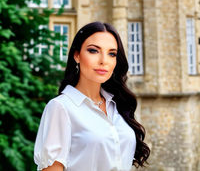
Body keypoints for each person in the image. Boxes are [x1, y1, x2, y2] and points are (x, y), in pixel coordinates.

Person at [34, 21, 150, 171]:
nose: (103, 61)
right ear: (77, 55)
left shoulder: (117, 105)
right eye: (94, 51)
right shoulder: (61, 108)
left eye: (112, 53)